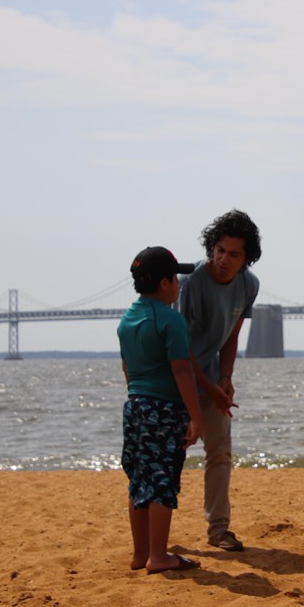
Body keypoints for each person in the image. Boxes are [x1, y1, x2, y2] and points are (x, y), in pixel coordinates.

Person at [177, 209, 262, 551]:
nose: (224, 259)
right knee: (172, 454)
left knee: (220, 454)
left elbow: (230, 337)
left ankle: (218, 530)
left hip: (212, 375)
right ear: (212, 247)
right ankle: (157, 534)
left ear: (247, 259)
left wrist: (225, 378)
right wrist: (209, 387)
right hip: (178, 376)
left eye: (234, 254)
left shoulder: (249, 285)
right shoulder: (192, 282)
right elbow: (180, 345)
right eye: (220, 250)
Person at [118, 246, 203, 575]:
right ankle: (159, 556)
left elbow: (127, 367)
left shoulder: (127, 320)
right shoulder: (171, 320)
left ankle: (141, 554)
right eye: (177, 278)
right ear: (166, 282)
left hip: (134, 406)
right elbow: (183, 372)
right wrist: (196, 417)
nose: (180, 284)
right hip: (165, 409)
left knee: (139, 482)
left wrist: (137, 398)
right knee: (162, 482)